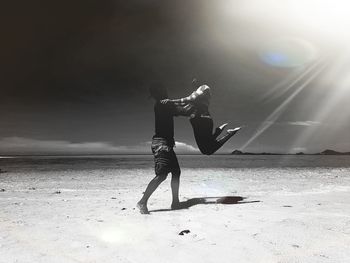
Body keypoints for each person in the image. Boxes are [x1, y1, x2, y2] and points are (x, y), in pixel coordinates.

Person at [137, 84, 192, 214]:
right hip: (161, 144)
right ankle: (142, 202)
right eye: (164, 91)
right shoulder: (163, 104)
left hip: (165, 143)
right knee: (161, 175)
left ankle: (175, 202)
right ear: (161, 93)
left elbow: (181, 109)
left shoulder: (163, 104)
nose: (166, 92)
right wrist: (196, 102)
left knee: (176, 172)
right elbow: (184, 111)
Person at [161, 80, 241, 155]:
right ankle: (220, 131)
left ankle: (228, 133)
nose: (193, 81)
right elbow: (186, 104)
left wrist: (172, 101)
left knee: (206, 150)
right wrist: (170, 104)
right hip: (205, 120)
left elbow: (190, 99)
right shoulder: (199, 94)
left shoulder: (204, 87)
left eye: (195, 80)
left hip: (199, 121)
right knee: (209, 144)